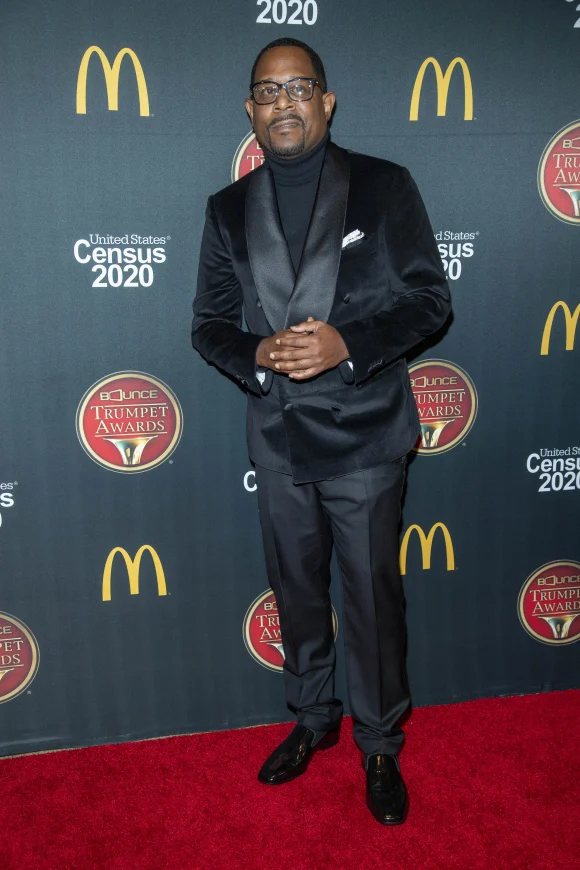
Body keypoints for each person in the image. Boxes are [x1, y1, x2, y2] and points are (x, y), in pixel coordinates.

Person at [192, 37, 451, 825]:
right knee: (297, 591)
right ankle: (312, 718)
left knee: (371, 596)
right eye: (267, 93)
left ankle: (378, 741)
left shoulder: (385, 186)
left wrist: (349, 345)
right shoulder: (226, 210)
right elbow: (208, 325)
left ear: (326, 101)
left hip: (367, 431)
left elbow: (429, 300)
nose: (284, 104)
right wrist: (258, 356)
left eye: (299, 87)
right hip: (277, 435)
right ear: (251, 110)